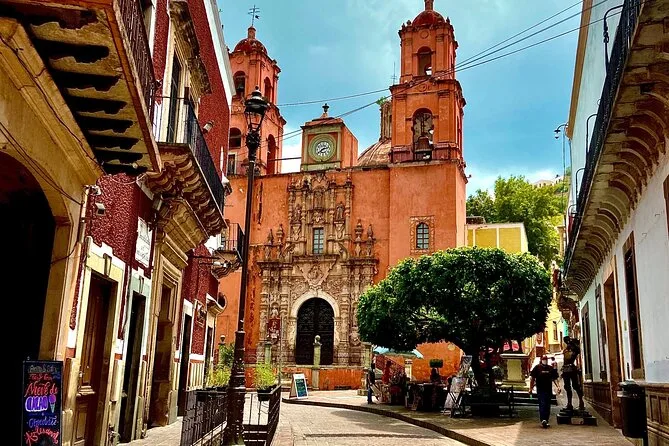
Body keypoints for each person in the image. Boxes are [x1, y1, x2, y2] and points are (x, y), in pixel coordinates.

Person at [529, 354, 559, 428]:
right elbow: (532, 378)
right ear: (541, 360)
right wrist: (530, 388)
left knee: (547, 405)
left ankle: (546, 420)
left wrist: (558, 386)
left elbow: (554, 378)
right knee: (542, 403)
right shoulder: (537, 368)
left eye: (546, 359)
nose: (545, 360)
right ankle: (543, 419)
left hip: (548, 389)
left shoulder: (550, 368)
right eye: (544, 359)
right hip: (540, 389)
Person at [562, 336, 585, 411]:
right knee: (568, 387)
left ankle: (580, 402)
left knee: (575, 386)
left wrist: (572, 343)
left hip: (570, 369)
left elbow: (576, 352)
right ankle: (570, 403)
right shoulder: (568, 348)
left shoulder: (573, 349)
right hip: (566, 369)